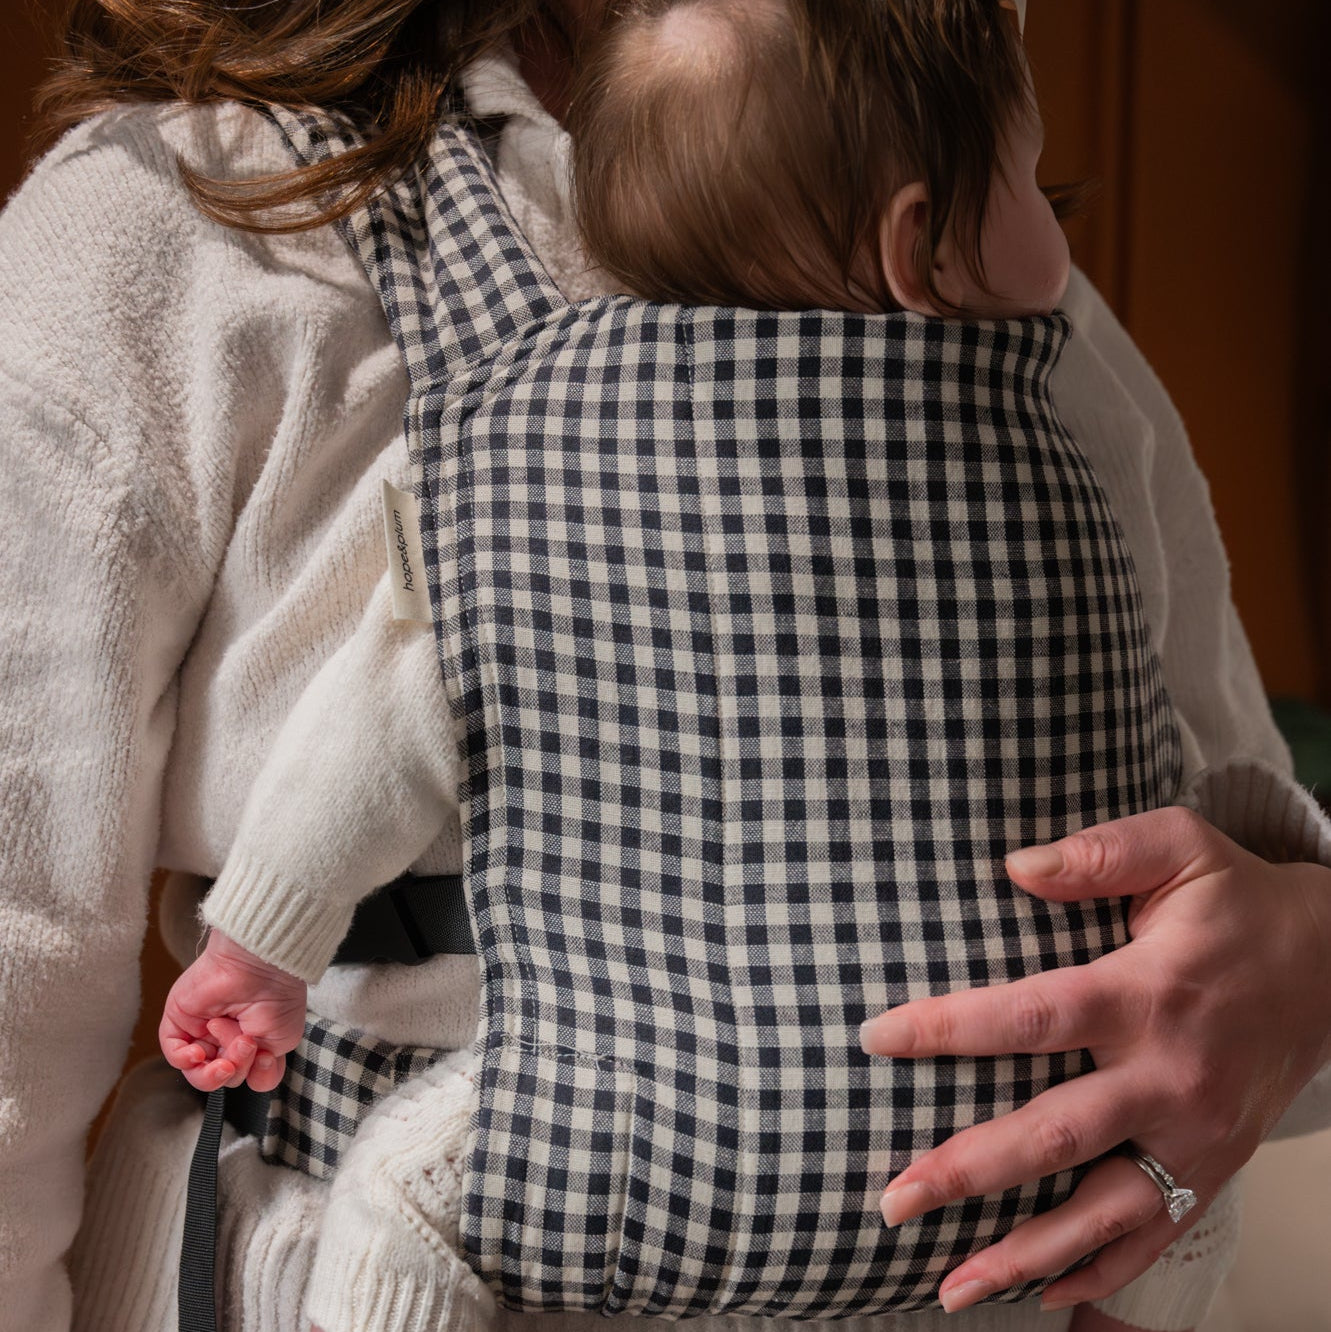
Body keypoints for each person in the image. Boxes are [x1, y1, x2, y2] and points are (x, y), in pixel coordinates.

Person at [0, 1, 1328, 1331]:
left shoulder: (1007, 311)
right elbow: (20, 966)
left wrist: (1303, 963)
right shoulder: (171, 223)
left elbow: (1224, 839)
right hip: (377, 1253)